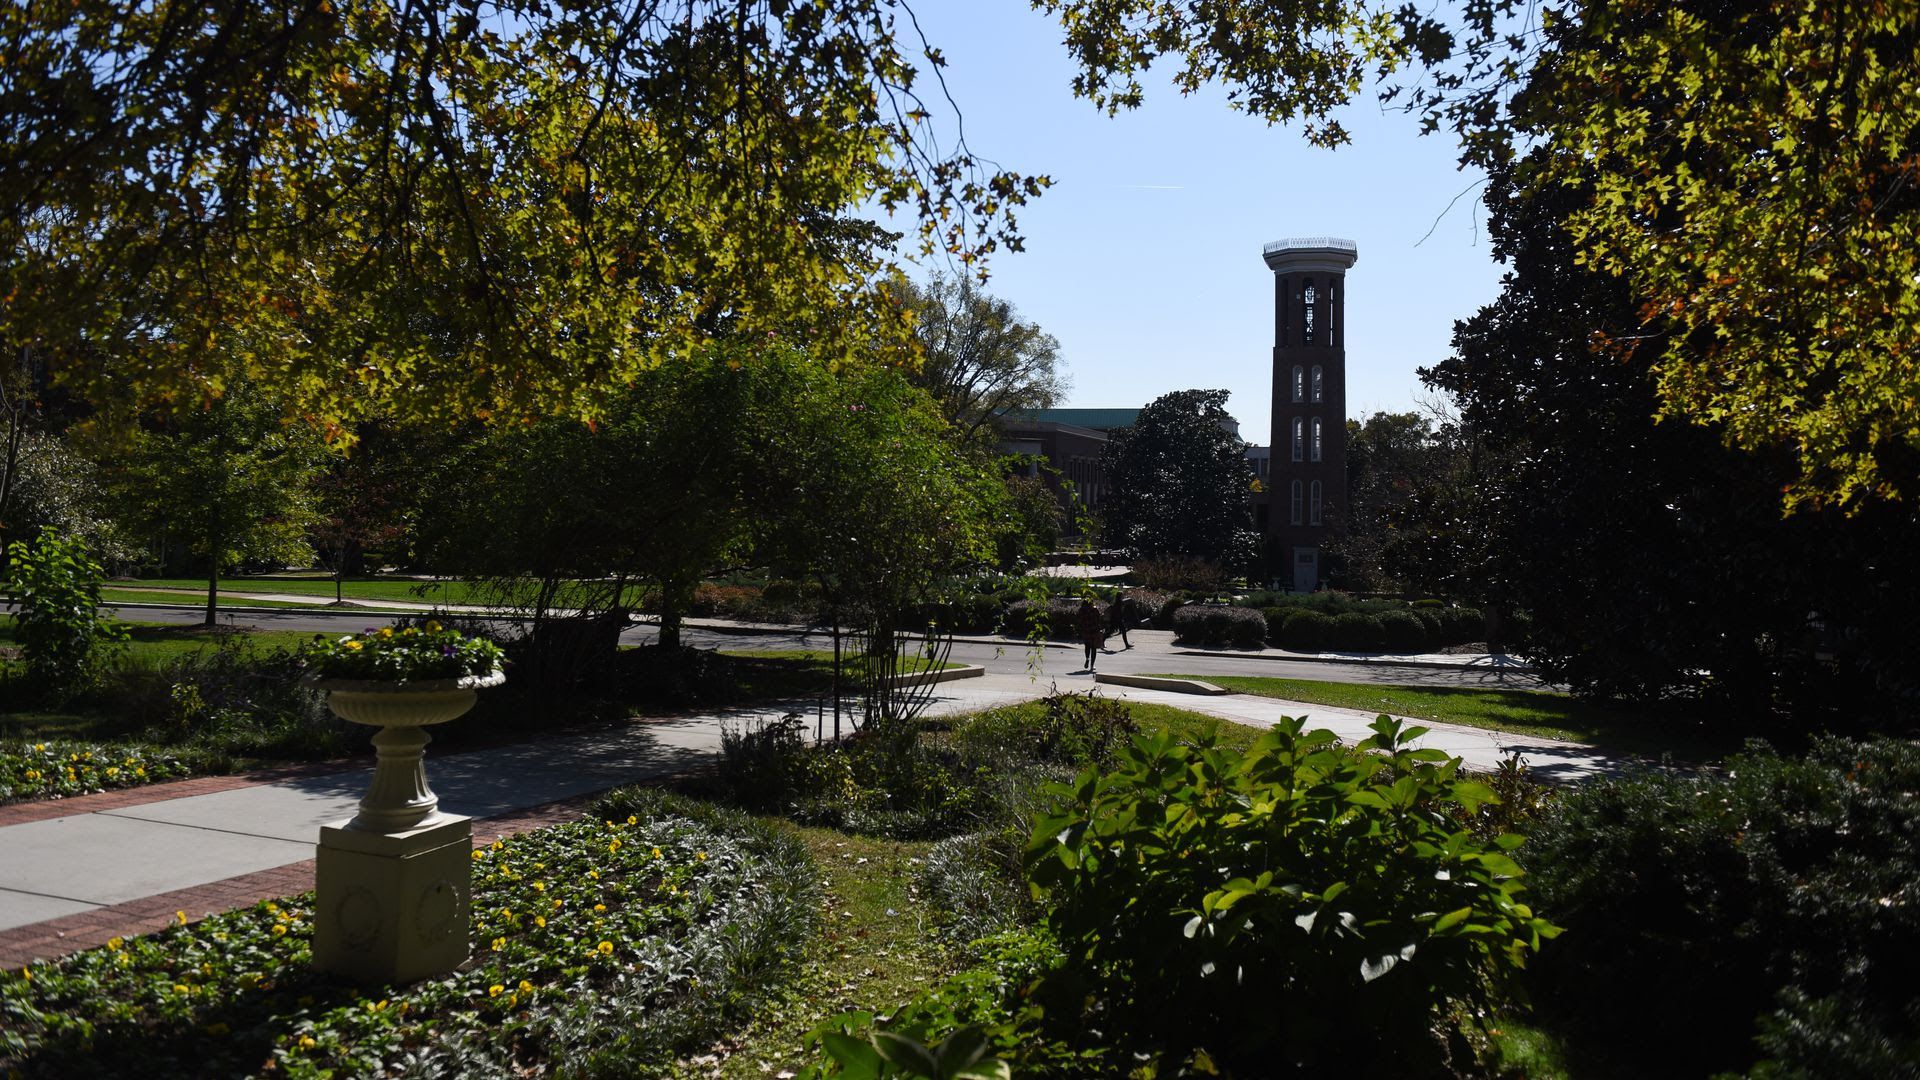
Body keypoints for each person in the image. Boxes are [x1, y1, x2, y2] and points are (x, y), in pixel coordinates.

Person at [1075, 597, 1104, 671]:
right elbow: (1098, 619)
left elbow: (1079, 621)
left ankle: (1087, 659)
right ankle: (1092, 665)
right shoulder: (1094, 610)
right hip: (1094, 630)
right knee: (1093, 648)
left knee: (1087, 646)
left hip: (1086, 631)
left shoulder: (1081, 611)